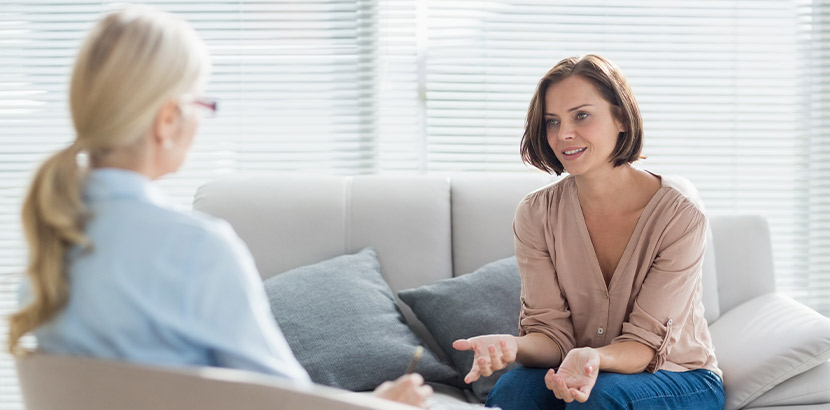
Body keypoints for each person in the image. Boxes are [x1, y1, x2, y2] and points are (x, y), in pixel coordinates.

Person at [6, 6, 431, 408]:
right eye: (199, 104)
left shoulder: (52, 245)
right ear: (168, 120)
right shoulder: (196, 249)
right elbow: (285, 402)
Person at [452, 55, 724, 409]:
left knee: (596, 397)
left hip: (677, 376)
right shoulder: (536, 214)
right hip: (577, 366)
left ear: (621, 118)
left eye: (581, 115)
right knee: (513, 392)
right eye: (552, 121)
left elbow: (644, 347)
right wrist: (513, 346)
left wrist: (595, 360)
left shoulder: (679, 216)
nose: (563, 134)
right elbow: (552, 336)